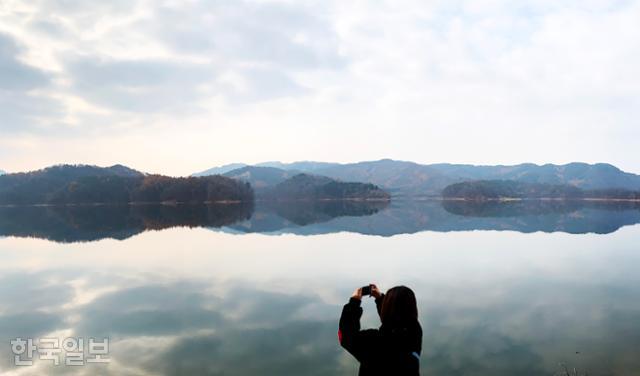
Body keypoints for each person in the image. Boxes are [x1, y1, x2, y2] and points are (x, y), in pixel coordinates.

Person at [338, 284, 422, 376]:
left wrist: (354, 302)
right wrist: (380, 298)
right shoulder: (415, 332)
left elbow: (345, 336)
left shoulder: (372, 342)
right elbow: (395, 319)